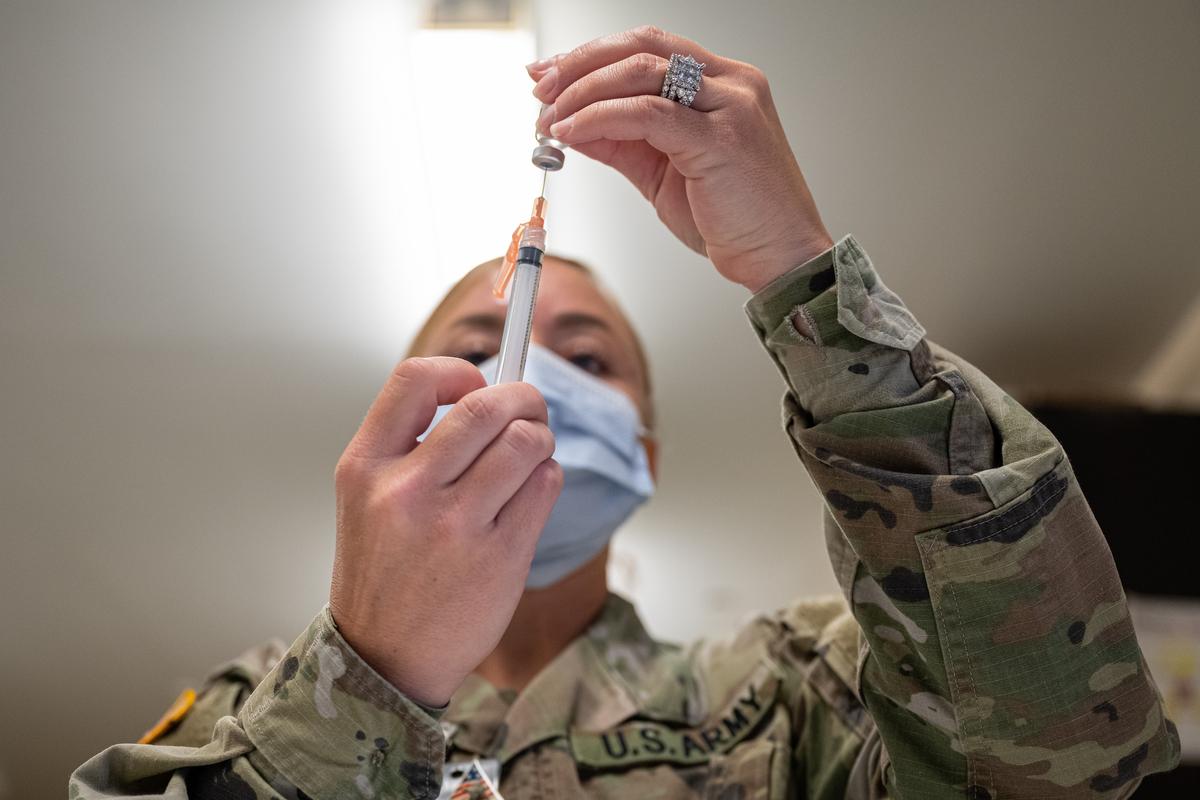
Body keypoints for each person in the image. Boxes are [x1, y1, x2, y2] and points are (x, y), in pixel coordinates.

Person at [70, 26, 1179, 799]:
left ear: (640, 446)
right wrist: (370, 676)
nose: (528, 372)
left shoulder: (788, 696)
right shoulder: (240, 711)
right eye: (477, 345)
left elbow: (1069, 765)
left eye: (587, 353)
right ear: (393, 426)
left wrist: (808, 283)